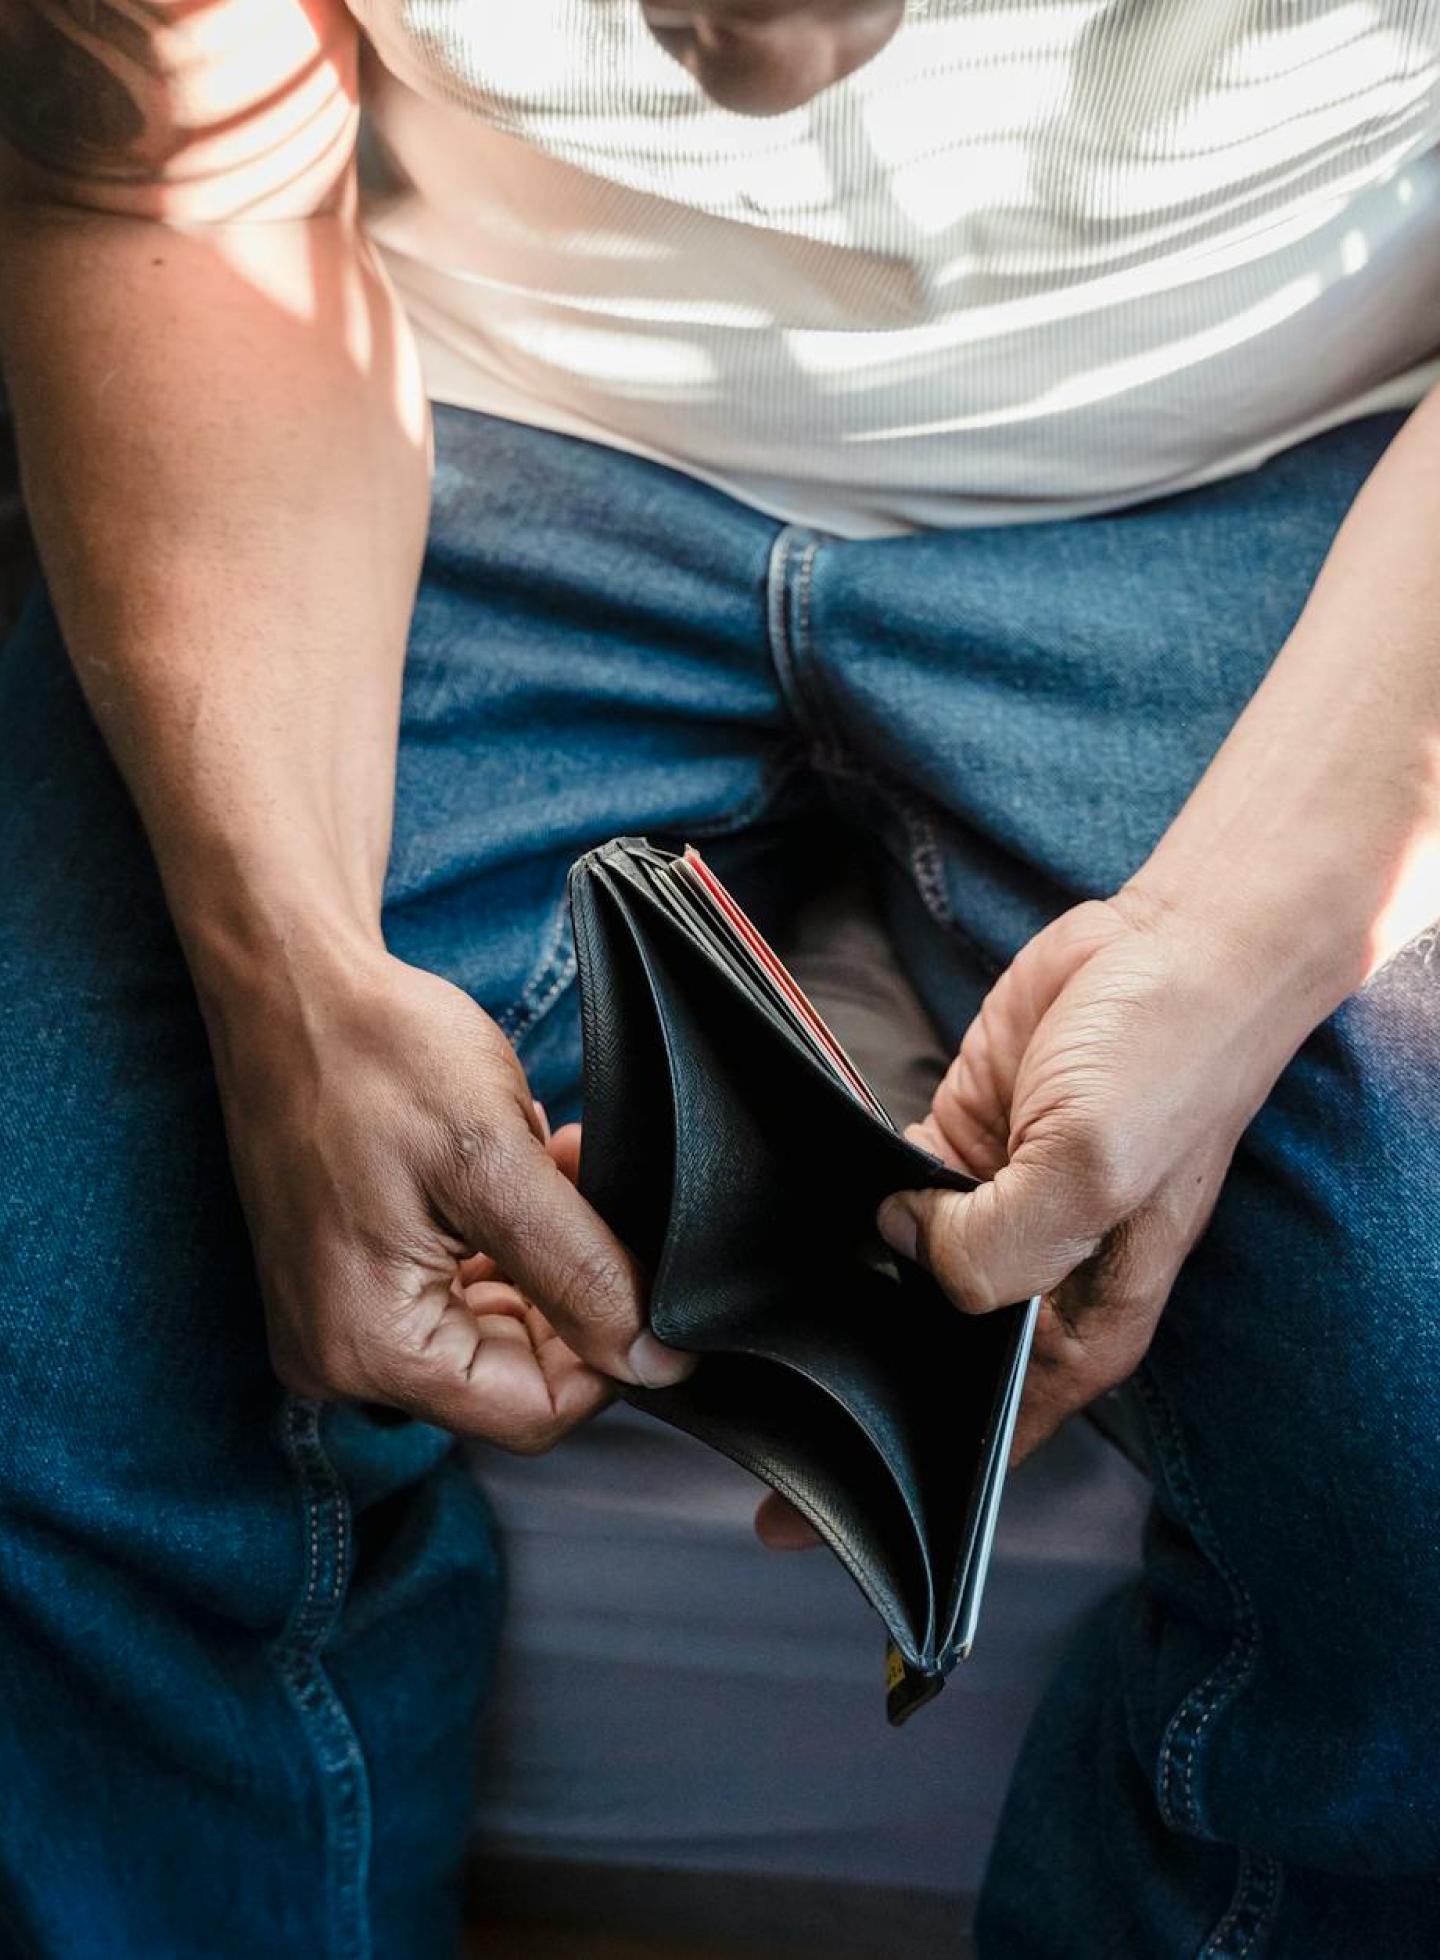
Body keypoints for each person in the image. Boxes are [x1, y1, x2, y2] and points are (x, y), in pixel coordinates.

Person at [1, 1, 1438, 1953]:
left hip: (1309, 462)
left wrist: (1261, 923)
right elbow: (160, 176)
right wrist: (285, 960)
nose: (748, 68)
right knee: (50, 1295)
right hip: (453, 408)